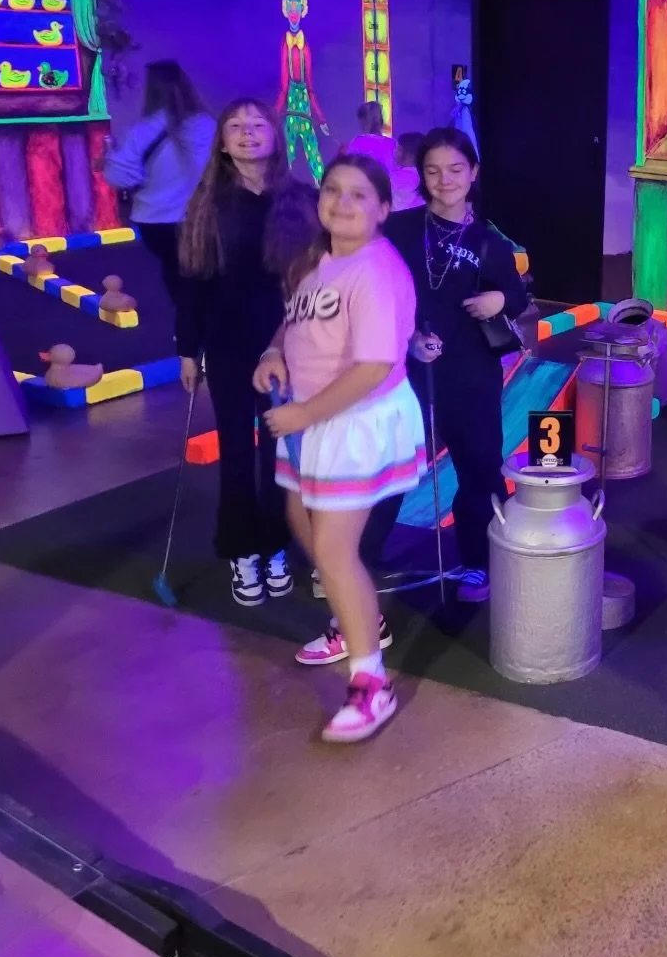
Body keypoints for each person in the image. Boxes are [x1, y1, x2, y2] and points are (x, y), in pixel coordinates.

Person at [254, 153, 426, 743]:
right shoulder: (316, 261)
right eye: (333, 191)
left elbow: (375, 365)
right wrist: (272, 353)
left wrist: (304, 412)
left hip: (351, 419)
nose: (343, 203)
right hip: (310, 417)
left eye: (359, 195)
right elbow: (292, 322)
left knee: (332, 548)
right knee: (301, 522)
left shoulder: (377, 271)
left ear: (383, 208)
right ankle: (360, 620)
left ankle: (370, 684)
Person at [362, 128, 528, 603]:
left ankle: (479, 561)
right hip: (402, 366)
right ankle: (356, 556)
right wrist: (409, 337)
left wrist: (499, 297)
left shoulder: (489, 241)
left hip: (471, 369)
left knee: (478, 464)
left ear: (473, 173)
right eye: (432, 170)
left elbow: (516, 296)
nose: (444, 179)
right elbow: (374, 290)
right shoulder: (399, 228)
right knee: (390, 461)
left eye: (456, 169)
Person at [176, 99, 320, 606]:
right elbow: (191, 280)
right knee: (238, 449)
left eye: (258, 125)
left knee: (283, 453)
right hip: (229, 342)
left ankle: (277, 544)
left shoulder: (302, 197)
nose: (247, 133)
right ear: (221, 141)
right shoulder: (207, 202)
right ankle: (242, 552)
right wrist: (188, 349)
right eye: (235, 126)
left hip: (291, 340)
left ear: (275, 136)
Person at [102, 60, 213, 309]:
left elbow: (117, 176)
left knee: (174, 274)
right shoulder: (206, 126)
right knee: (201, 280)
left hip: (153, 221)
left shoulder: (142, 130)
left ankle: (188, 337)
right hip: (197, 219)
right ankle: (203, 335)